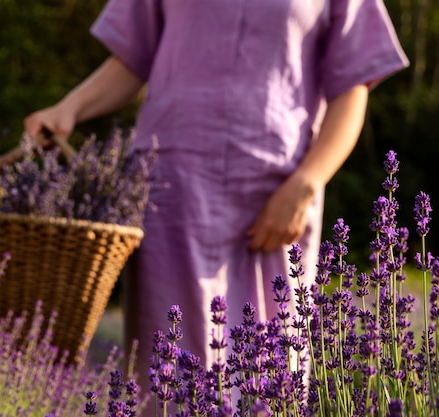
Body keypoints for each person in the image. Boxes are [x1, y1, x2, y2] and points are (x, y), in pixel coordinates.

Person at [24, 0, 409, 412]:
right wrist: (70, 107)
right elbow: (133, 60)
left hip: (276, 200)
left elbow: (351, 89)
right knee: (168, 381)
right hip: (171, 191)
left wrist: (307, 183)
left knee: (271, 381)